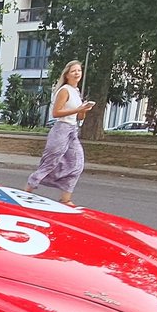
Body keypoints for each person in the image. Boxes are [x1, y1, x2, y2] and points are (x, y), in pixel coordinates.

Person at [25, 60, 95, 206]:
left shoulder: (76, 92)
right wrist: (77, 109)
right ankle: (27, 191)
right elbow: (56, 113)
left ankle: (66, 199)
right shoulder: (64, 90)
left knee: (77, 163)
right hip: (61, 130)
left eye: (79, 71)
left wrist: (83, 110)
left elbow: (79, 117)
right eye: (73, 71)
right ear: (67, 75)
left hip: (72, 130)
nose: (77, 73)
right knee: (50, 162)